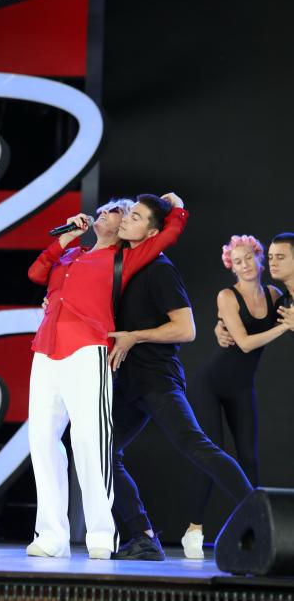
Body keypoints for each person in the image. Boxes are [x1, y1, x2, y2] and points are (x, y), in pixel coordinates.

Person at [26, 192, 188, 560]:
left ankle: (101, 534)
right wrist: (65, 239)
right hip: (46, 349)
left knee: (90, 442)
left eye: (118, 212)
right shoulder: (72, 254)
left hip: (88, 349)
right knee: (42, 440)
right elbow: (36, 273)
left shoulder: (124, 258)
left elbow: (167, 235)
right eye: (105, 209)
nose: (105, 214)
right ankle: (51, 535)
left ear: (125, 225)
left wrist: (177, 209)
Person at [107, 232, 255, 562]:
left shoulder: (160, 268)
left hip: (157, 379)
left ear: (151, 232)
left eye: (135, 216)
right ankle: (144, 537)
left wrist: (135, 336)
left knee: (195, 445)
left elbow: (186, 329)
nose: (126, 219)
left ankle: (261, 515)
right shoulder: (122, 267)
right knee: (103, 452)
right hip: (129, 382)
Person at [182, 234, 290, 560]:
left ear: (259, 259)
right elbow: (243, 343)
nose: (244, 266)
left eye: (248, 258)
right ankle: (193, 529)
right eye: (237, 262)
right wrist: (284, 328)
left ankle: (255, 530)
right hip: (211, 383)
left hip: (242, 387)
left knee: (249, 458)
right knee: (212, 453)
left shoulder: (274, 295)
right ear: (232, 267)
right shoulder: (227, 296)